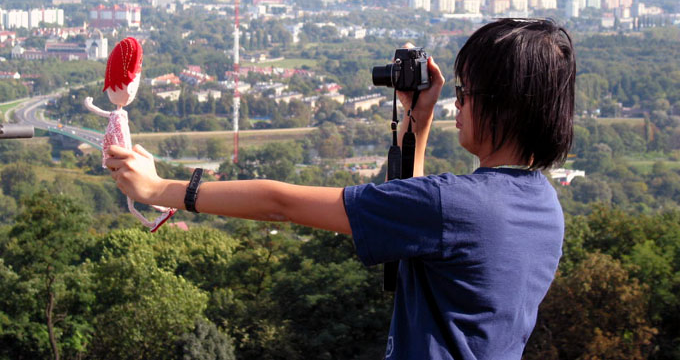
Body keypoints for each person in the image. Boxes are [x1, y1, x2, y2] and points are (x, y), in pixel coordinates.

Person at [107, 18, 575, 360]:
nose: (460, 104)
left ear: (504, 107)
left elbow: (280, 204)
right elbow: (409, 219)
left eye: (467, 92)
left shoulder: (455, 206)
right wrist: (418, 119)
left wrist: (158, 188)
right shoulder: (542, 207)